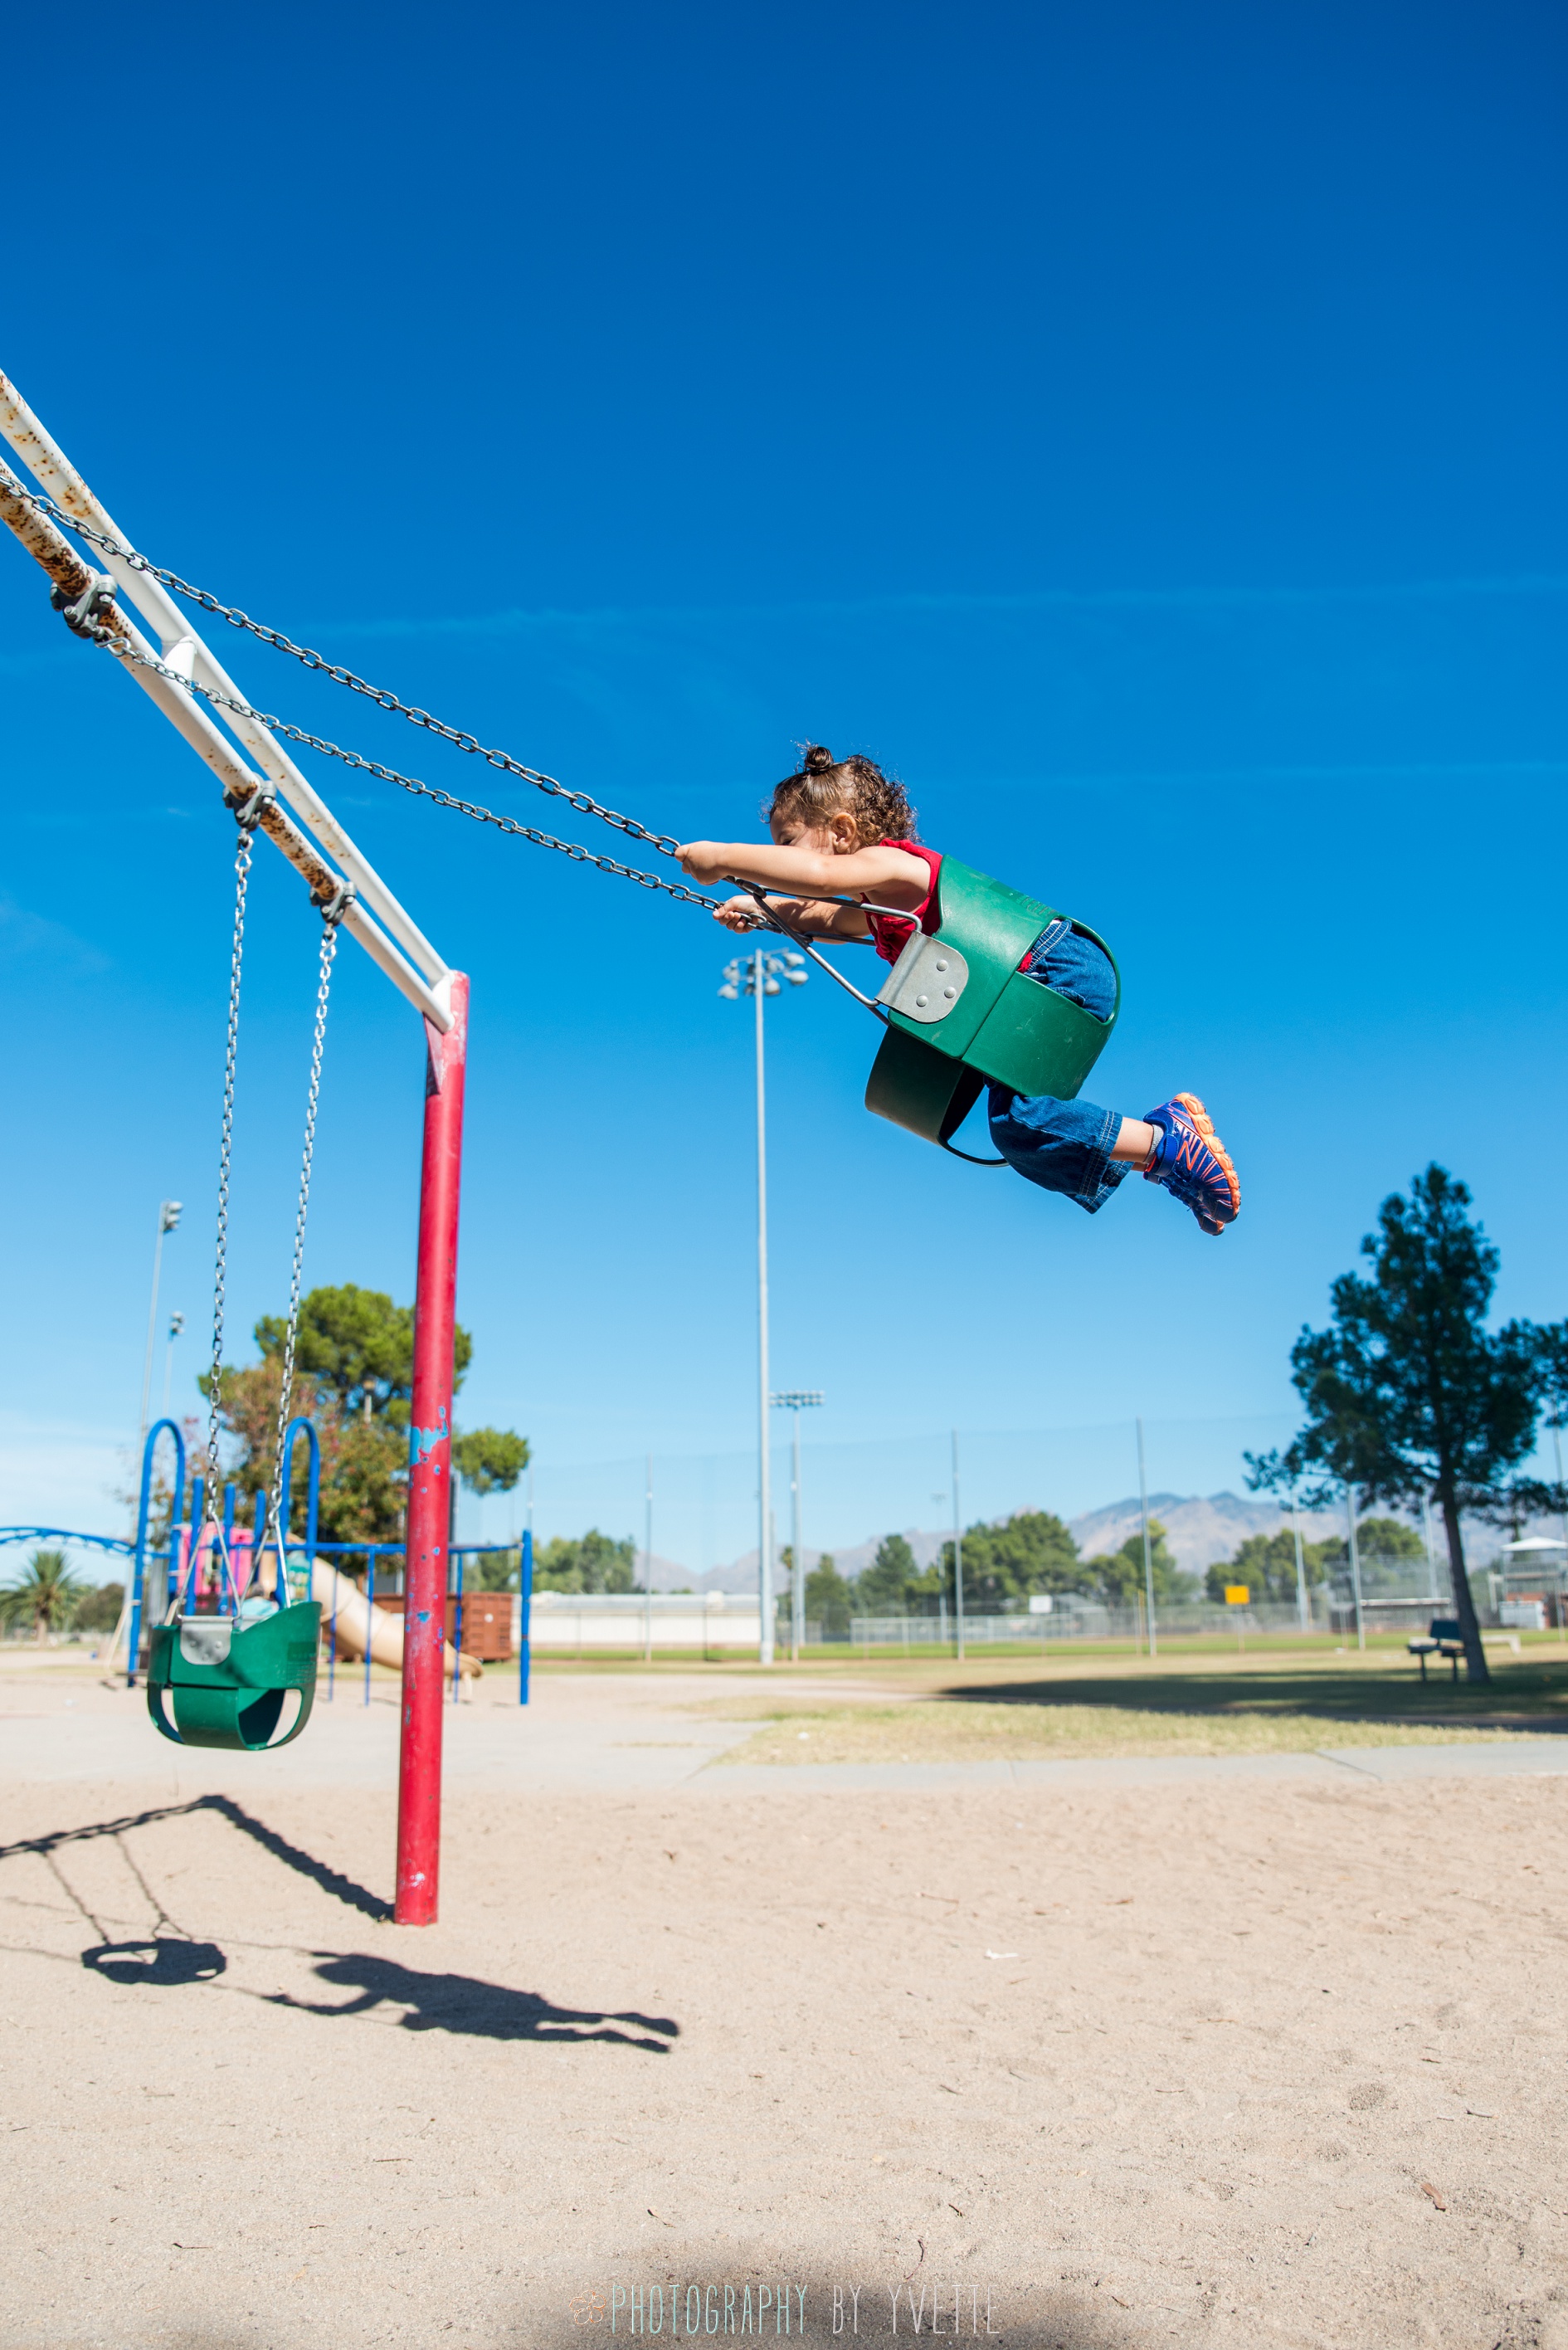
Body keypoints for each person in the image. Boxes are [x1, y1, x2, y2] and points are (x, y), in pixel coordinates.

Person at [676, 744, 1240, 1235]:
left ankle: (1171, 1143)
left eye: (786, 843)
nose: (776, 858)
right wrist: (760, 909)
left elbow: (821, 882)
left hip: (1046, 968)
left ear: (844, 832)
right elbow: (821, 918)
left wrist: (722, 860)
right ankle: (1165, 1152)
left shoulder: (894, 866)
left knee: (1022, 1122)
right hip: (1009, 996)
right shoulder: (879, 912)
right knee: (1018, 1131)